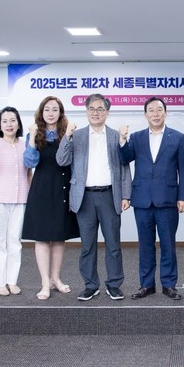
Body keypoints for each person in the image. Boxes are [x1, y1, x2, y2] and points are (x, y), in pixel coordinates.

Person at [56, 94, 132, 302]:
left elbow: (124, 167)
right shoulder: (77, 135)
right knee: (87, 245)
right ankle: (90, 285)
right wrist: (67, 136)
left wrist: (126, 195)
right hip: (84, 198)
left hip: (110, 195)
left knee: (113, 244)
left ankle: (114, 285)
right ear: (86, 111)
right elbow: (62, 160)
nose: (95, 112)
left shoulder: (115, 135)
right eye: (92, 108)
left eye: (100, 109)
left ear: (107, 112)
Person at [119, 97, 184, 300]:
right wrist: (122, 140)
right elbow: (125, 158)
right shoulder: (136, 137)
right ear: (145, 115)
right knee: (145, 246)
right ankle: (146, 285)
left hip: (168, 200)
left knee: (168, 245)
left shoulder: (177, 137)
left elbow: (183, 170)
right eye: (151, 110)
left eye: (159, 110)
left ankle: (169, 285)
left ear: (165, 113)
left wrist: (183, 197)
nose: (156, 114)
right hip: (142, 200)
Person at [22, 96, 80, 300]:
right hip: (42, 189)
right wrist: (31, 137)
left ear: (60, 113)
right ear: (41, 112)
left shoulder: (69, 133)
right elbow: (30, 162)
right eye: (47, 109)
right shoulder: (35, 134)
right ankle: (44, 282)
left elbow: (72, 162)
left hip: (63, 188)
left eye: (55, 109)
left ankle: (56, 278)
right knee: (42, 237)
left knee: (58, 237)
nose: (51, 113)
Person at [0, 106, 31, 296]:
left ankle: (12, 281)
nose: (9, 124)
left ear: (18, 123)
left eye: (12, 120)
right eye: (5, 121)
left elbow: (28, 172)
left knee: (15, 242)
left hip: (20, 200)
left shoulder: (25, 144)